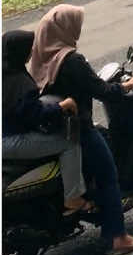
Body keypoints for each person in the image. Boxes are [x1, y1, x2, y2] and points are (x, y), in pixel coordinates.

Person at [29, 5, 133, 255]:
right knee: (108, 173)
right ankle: (118, 236)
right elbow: (102, 91)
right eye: (76, 23)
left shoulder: (42, 55)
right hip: (77, 128)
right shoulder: (71, 60)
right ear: (66, 28)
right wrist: (128, 85)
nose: (79, 28)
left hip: (50, 126)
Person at [2, 29, 90, 214]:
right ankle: (73, 197)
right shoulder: (19, 82)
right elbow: (34, 115)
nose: (32, 52)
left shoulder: (5, 72)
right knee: (69, 144)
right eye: (29, 49)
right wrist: (61, 107)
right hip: (12, 140)